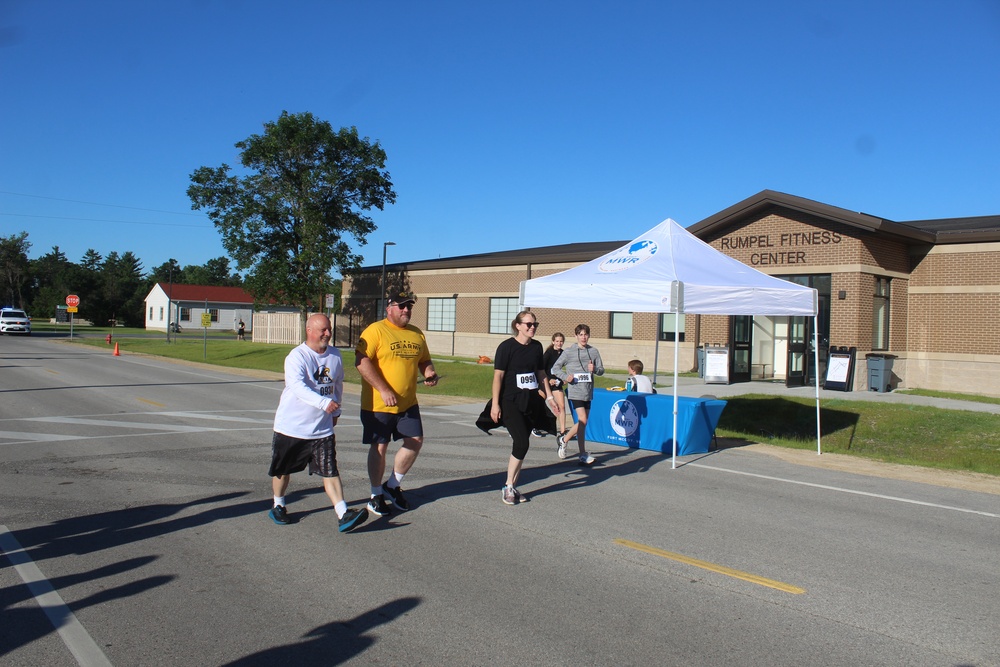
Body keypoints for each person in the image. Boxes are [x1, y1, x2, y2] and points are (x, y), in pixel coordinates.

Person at [267, 313, 367, 532]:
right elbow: (297, 386)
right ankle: (278, 504)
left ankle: (343, 514)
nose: (328, 334)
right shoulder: (297, 356)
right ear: (309, 330)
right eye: (323, 330)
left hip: (322, 429)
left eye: (329, 329)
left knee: (330, 470)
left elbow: (337, 384)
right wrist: (323, 403)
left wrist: (336, 408)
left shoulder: (335, 355)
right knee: (283, 471)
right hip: (292, 427)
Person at [355, 291, 439, 517]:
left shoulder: (416, 333)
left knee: (415, 441)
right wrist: (383, 389)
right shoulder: (376, 330)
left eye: (409, 306)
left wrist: (429, 371)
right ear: (388, 308)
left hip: (408, 403)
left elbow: (425, 360)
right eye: (401, 306)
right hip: (378, 404)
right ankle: (375, 495)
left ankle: (391, 485)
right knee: (380, 447)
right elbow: (361, 362)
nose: (406, 310)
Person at [490, 311, 559, 505]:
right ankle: (508, 486)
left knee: (522, 444)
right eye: (528, 324)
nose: (532, 327)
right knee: (522, 443)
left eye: (535, 324)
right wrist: (495, 404)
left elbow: (541, 373)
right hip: (510, 401)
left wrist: (550, 397)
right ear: (517, 325)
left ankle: (512, 485)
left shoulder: (536, 347)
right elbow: (498, 377)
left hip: (531, 401)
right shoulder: (506, 347)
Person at [551, 323, 605, 465]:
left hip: (588, 391)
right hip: (575, 391)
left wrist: (595, 370)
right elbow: (555, 368)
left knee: (582, 424)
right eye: (580, 334)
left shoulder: (593, 351)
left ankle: (576, 448)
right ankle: (568, 442)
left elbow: (601, 370)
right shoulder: (568, 352)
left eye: (585, 334)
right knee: (583, 420)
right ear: (576, 336)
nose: (583, 337)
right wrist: (565, 377)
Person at [537, 332, 568, 438]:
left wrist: (564, 378)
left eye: (561, 341)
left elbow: (565, 368)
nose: (559, 343)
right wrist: (549, 379)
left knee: (562, 406)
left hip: (556, 382)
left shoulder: (563, 354)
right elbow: (541, 369)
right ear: (553, 341)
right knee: (539, 404)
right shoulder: (548, 353)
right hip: (545, 382)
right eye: (557, 341)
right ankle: (534, 427)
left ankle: (563, 431)